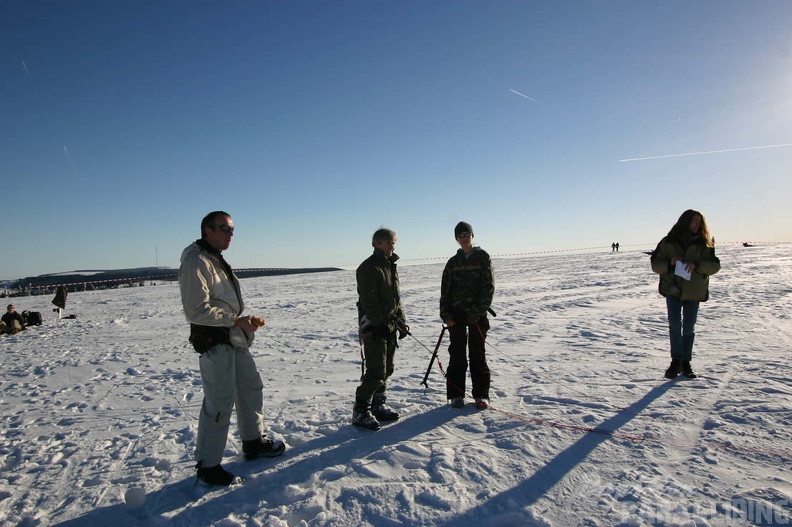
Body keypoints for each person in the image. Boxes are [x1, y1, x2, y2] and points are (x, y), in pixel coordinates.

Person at [179, 211, 285, 486]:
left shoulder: (214, 257)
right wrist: (234, 320)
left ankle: (253, 442)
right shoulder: (195, 260)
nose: (230, 234)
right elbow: (196, 310)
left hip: (233, 337)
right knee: (219, 401)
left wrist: (240, 322)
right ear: (207, 230)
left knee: (251, 388)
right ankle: (208, 466)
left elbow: (222, 302)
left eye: (232, 229)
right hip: (214, 341)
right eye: (224, 229)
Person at [651, 209, 720, 379]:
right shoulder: (668, 242)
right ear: (685, 222)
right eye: (694, 221)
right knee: (675, 326)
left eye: (699, 222)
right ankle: (676, 361)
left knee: (688, 328)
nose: (698, 224)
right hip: (672, 289)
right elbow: (655, 264)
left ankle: (686, 362)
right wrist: (669, 264)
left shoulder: (704, 244)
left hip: (694, 291)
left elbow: (714, 266)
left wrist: (697, 265)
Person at [353, 227, 408, 431]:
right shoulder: (369, 268)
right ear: (376, 243)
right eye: (387, 242)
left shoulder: (390, 266)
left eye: (393, 242)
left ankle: (378, 404)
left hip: (390, 325)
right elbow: (369, 301)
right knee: (376, 370)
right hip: (375, 327)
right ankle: (361, 410)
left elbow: (396, 299)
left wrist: (400, 320)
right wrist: (380, 324)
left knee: (388, 368)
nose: (391, 246)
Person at [440, 221, 495, 409]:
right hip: (456, 317)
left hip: (477, 317)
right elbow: (445, 291)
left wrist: (477, 312)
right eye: (460, 235)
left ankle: (481, 395)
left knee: (477, 354)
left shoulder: (482, 258)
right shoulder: (452, 263)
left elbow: (488, 288)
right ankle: (456, 395)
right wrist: (445, 314)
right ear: (456, 239)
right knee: (457, 355)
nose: (464, 238)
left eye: (467, 234)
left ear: (472, 236)